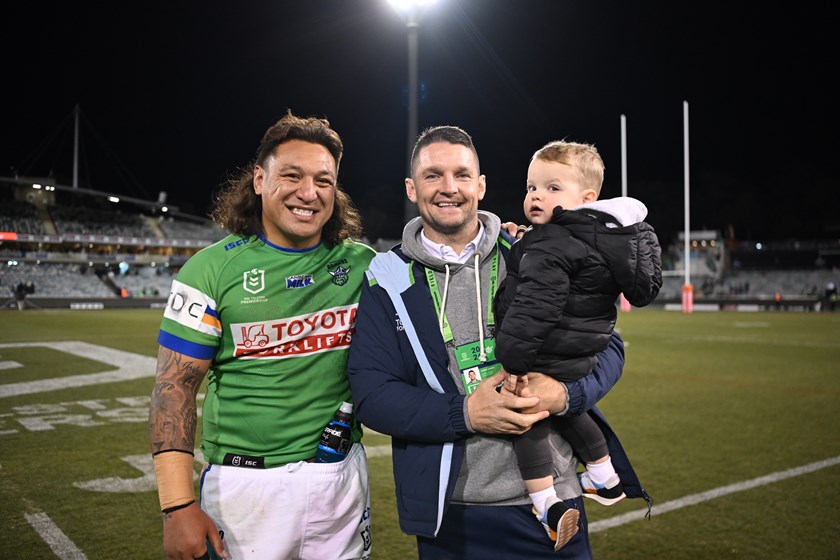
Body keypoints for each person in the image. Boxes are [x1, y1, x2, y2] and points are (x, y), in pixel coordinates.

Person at [346, 125, 649, 558]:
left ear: (481, 185)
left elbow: (609, 346)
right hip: (451, 514)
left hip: (551, 510)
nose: (449, 188)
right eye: (433, 176)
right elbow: (372, 395)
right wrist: (466, 412)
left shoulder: (529, 249)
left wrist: (563, 394)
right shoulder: (386, 277)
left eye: (462, 175)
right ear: (412, 189)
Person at [148, 110, 375, 560]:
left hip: (341, 479)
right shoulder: (210, 269)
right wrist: (176, 506)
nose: (308, 193)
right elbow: (174, 387)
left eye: (324, 181)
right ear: (258, 180)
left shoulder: (366, 266)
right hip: (244, 492)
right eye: (291, 175)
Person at [493, 140, 661, 544]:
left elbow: (536, 306)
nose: (536, 196)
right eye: (532, 186)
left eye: (552, 188)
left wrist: (513, 361)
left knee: (526, 417)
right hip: (582, 354)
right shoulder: (601, 239)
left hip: (547, 351)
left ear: (586, 199)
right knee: (571, 412)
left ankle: (546, 503)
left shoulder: (552, 244)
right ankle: (605, 477)